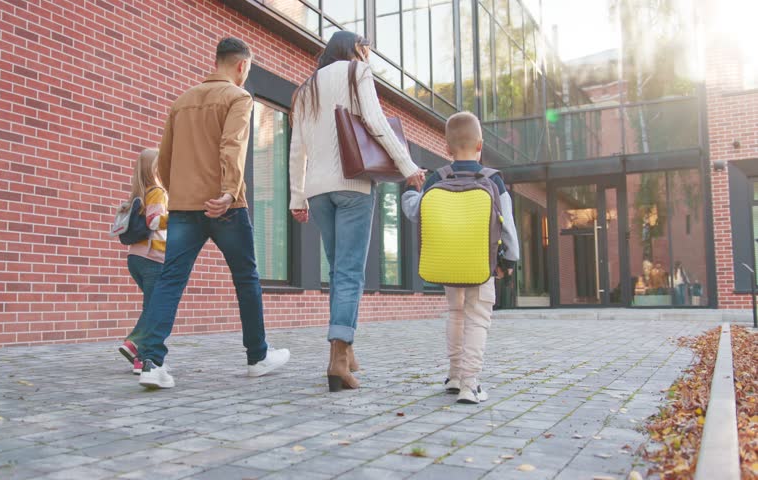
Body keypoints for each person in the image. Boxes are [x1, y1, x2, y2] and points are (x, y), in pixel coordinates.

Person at [134, 37, 290, 389]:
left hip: (185, 206)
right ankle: (257, 357)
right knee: (246, 279)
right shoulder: (239, 97)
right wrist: (228, 191)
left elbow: (166, 157)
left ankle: (152, 363)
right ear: (241, 66)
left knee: (170, 281)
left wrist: (179, 194)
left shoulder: (182, 101)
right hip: (225, 206)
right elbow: (232, 145)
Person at [288, 31, 426, 392]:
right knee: (349, 273)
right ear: (353, 49)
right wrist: (408, 166)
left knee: (338, 272)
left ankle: (347, 352)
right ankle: (337, 359)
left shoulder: (305, 89)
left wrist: (296, 196)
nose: (368, 54)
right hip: (352, 187)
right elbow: (377, 124)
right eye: (365, 48)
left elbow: (296, 147)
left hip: (318, 193)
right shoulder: (356, 72)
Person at [402, 112, 520, 404]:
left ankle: (454, 375)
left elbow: (414, 211)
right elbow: (508, 226)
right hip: (481, 265)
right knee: (478, 318)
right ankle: (470, 384)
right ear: (480, 145)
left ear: (446, 147)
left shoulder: (436, 178)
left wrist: (409, 189)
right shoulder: (494, 181)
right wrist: (510, 260)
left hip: (449, 263)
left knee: (455, 314)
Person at [118, 148, 168, 375]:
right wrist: (177, 215)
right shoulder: (156, 191)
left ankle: (139, 356)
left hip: (135, 258)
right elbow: (155, 221)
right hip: (153, 257)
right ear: (156, 167)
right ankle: (136, 348)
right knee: (156, 309)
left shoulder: (138, 193)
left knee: (151, 307)